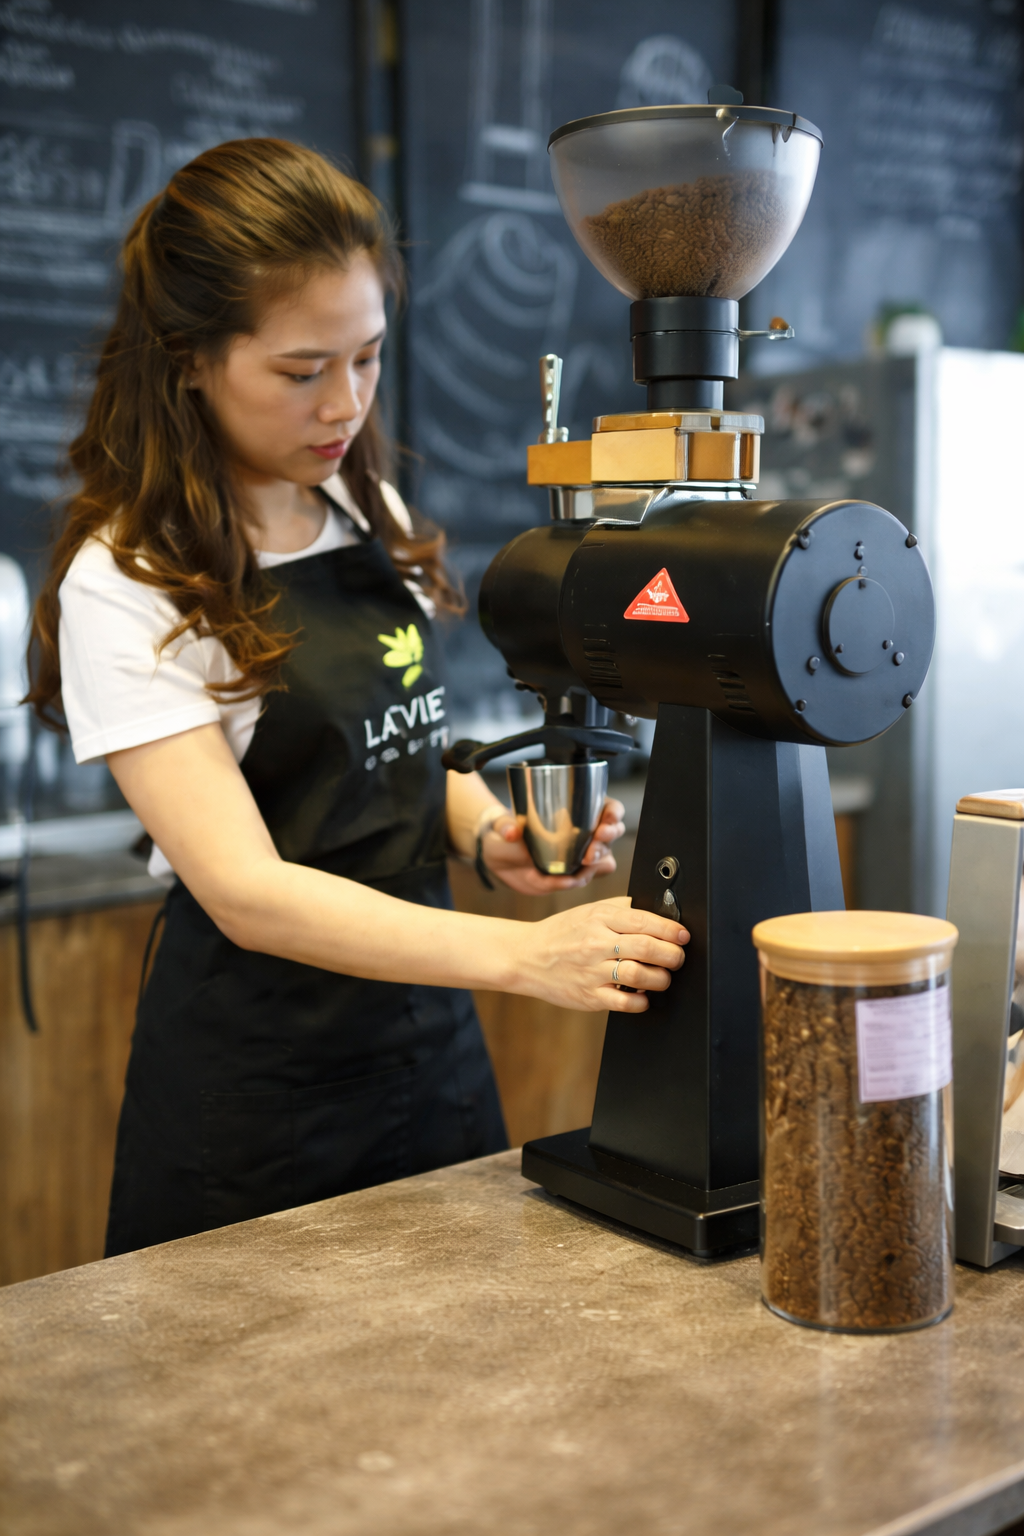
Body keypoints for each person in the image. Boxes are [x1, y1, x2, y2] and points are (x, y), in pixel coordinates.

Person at [27, 139, 689, 1255]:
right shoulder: (129, 576)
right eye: (300, 371)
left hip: (430, 1054)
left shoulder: (354, 499)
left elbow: (382, 756)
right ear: (189, 359)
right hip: (255, 1101)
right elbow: (245, 890)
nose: (344, 403)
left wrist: (490, 835)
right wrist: (527, 958)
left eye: (369, 357)